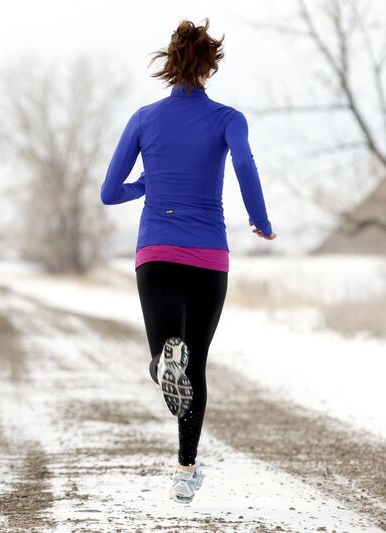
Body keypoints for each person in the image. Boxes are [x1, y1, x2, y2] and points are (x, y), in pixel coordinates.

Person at [99, 17, 277, 504]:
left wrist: (148, 185)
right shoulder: (228, 118)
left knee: (169, 354)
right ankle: (185, 470)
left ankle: (160, 362)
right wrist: (259, 219)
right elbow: (243, 164)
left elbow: (109, 192)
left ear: (170, 65)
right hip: (209, 255)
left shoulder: (143, 118)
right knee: (195, 363)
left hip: (156, 251)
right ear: (209, 68)